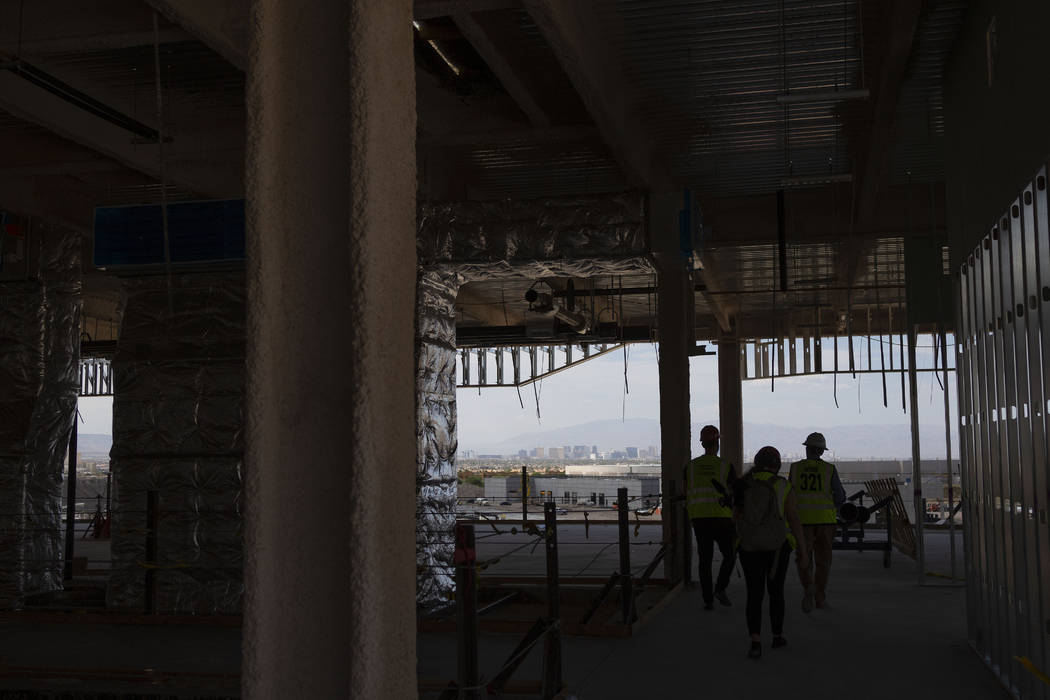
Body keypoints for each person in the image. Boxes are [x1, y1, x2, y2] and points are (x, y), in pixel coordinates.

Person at [734, 446, 809, 659]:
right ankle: (777, 636)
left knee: (754, 593)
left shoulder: (742, 484)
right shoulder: (783, 486)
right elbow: (793, 519)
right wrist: (802, 551)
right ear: (777, 465)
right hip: (777, 548)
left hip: (748, 547)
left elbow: (735, 517)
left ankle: (755, 641)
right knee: (776, 592)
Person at [789, 432, 846, 612]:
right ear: (821, 451)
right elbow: (841, 496)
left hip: (802, 522)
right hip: (826, 522)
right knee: (824, 561)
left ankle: (808, 588)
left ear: (807, 449)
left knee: (804, 558)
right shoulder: (830, 470)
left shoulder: (795, 468)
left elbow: (790, 494)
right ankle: (820, 599)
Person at [685, 425, 737, 610]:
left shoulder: (691, 466)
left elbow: (687, 491)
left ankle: (708, 601)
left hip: (699, 519)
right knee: (730, 556)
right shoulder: (725, 466)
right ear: (717, 443)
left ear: (702, 443)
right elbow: (735, 492)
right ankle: (720, 588)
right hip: (722, 518)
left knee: (704, 560)